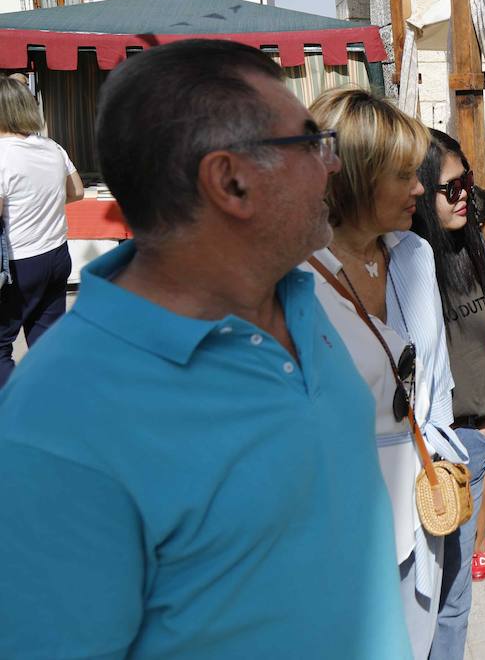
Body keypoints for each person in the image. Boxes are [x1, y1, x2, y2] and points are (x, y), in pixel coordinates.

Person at [0, 40, 411, 658]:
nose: (332, 164)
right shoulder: (58, 423)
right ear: (231, 181)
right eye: (309, 143)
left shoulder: (299, 294)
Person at [307, 87, 465, 660]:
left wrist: (443, 464)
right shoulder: (290, 282)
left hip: (421, 506)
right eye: (404, 175)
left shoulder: (417, 256)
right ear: (353, 179)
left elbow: (436, 386)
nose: (422, 188)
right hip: (339, 530)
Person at [409, 128, 485, 654]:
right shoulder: (407, 264)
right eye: (449, 188)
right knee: (417, 593)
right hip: (428, 450)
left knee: (453, 593)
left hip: (473, 437)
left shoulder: (472, 249)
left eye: (465, 184)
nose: (463, 197)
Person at [0, 77, 83, 384]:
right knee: (47, 341)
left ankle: (15, 414)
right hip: (56, 253)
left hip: (18, 263)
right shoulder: (51, 146)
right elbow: (76, 192)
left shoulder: (2, 154)